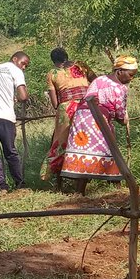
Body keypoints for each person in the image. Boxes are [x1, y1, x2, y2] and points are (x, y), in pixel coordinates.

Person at [60, 55, 138, 195]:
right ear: (119, 71)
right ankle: (118, 192)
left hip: (81, 119)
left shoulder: (99, 79)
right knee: (111, 151)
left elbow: (88, 98)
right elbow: (121, 116)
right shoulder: (120, 89)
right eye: (130, 74)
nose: (131, 78)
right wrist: (124, 120)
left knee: (84, 153)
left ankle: (79, 193)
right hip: (97, 120)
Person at [40, 48, 94, 184]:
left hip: (66, 109)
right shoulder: (81, 66)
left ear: (53, 61)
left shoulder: (52, 73)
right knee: (85, 139)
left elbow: (55, 103)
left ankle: (56, 179)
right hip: (86, 106)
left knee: (60, 142)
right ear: (66, 56)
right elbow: (96, 81)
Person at [0, 51, 30, 192]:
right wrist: (17, 98)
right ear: (15, 59)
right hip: (6, 117)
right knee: (10, 151)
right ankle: (20, 183)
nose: (24, 67)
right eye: (23, 64)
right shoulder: (16, 70)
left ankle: (1, 185)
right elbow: (23, 96)